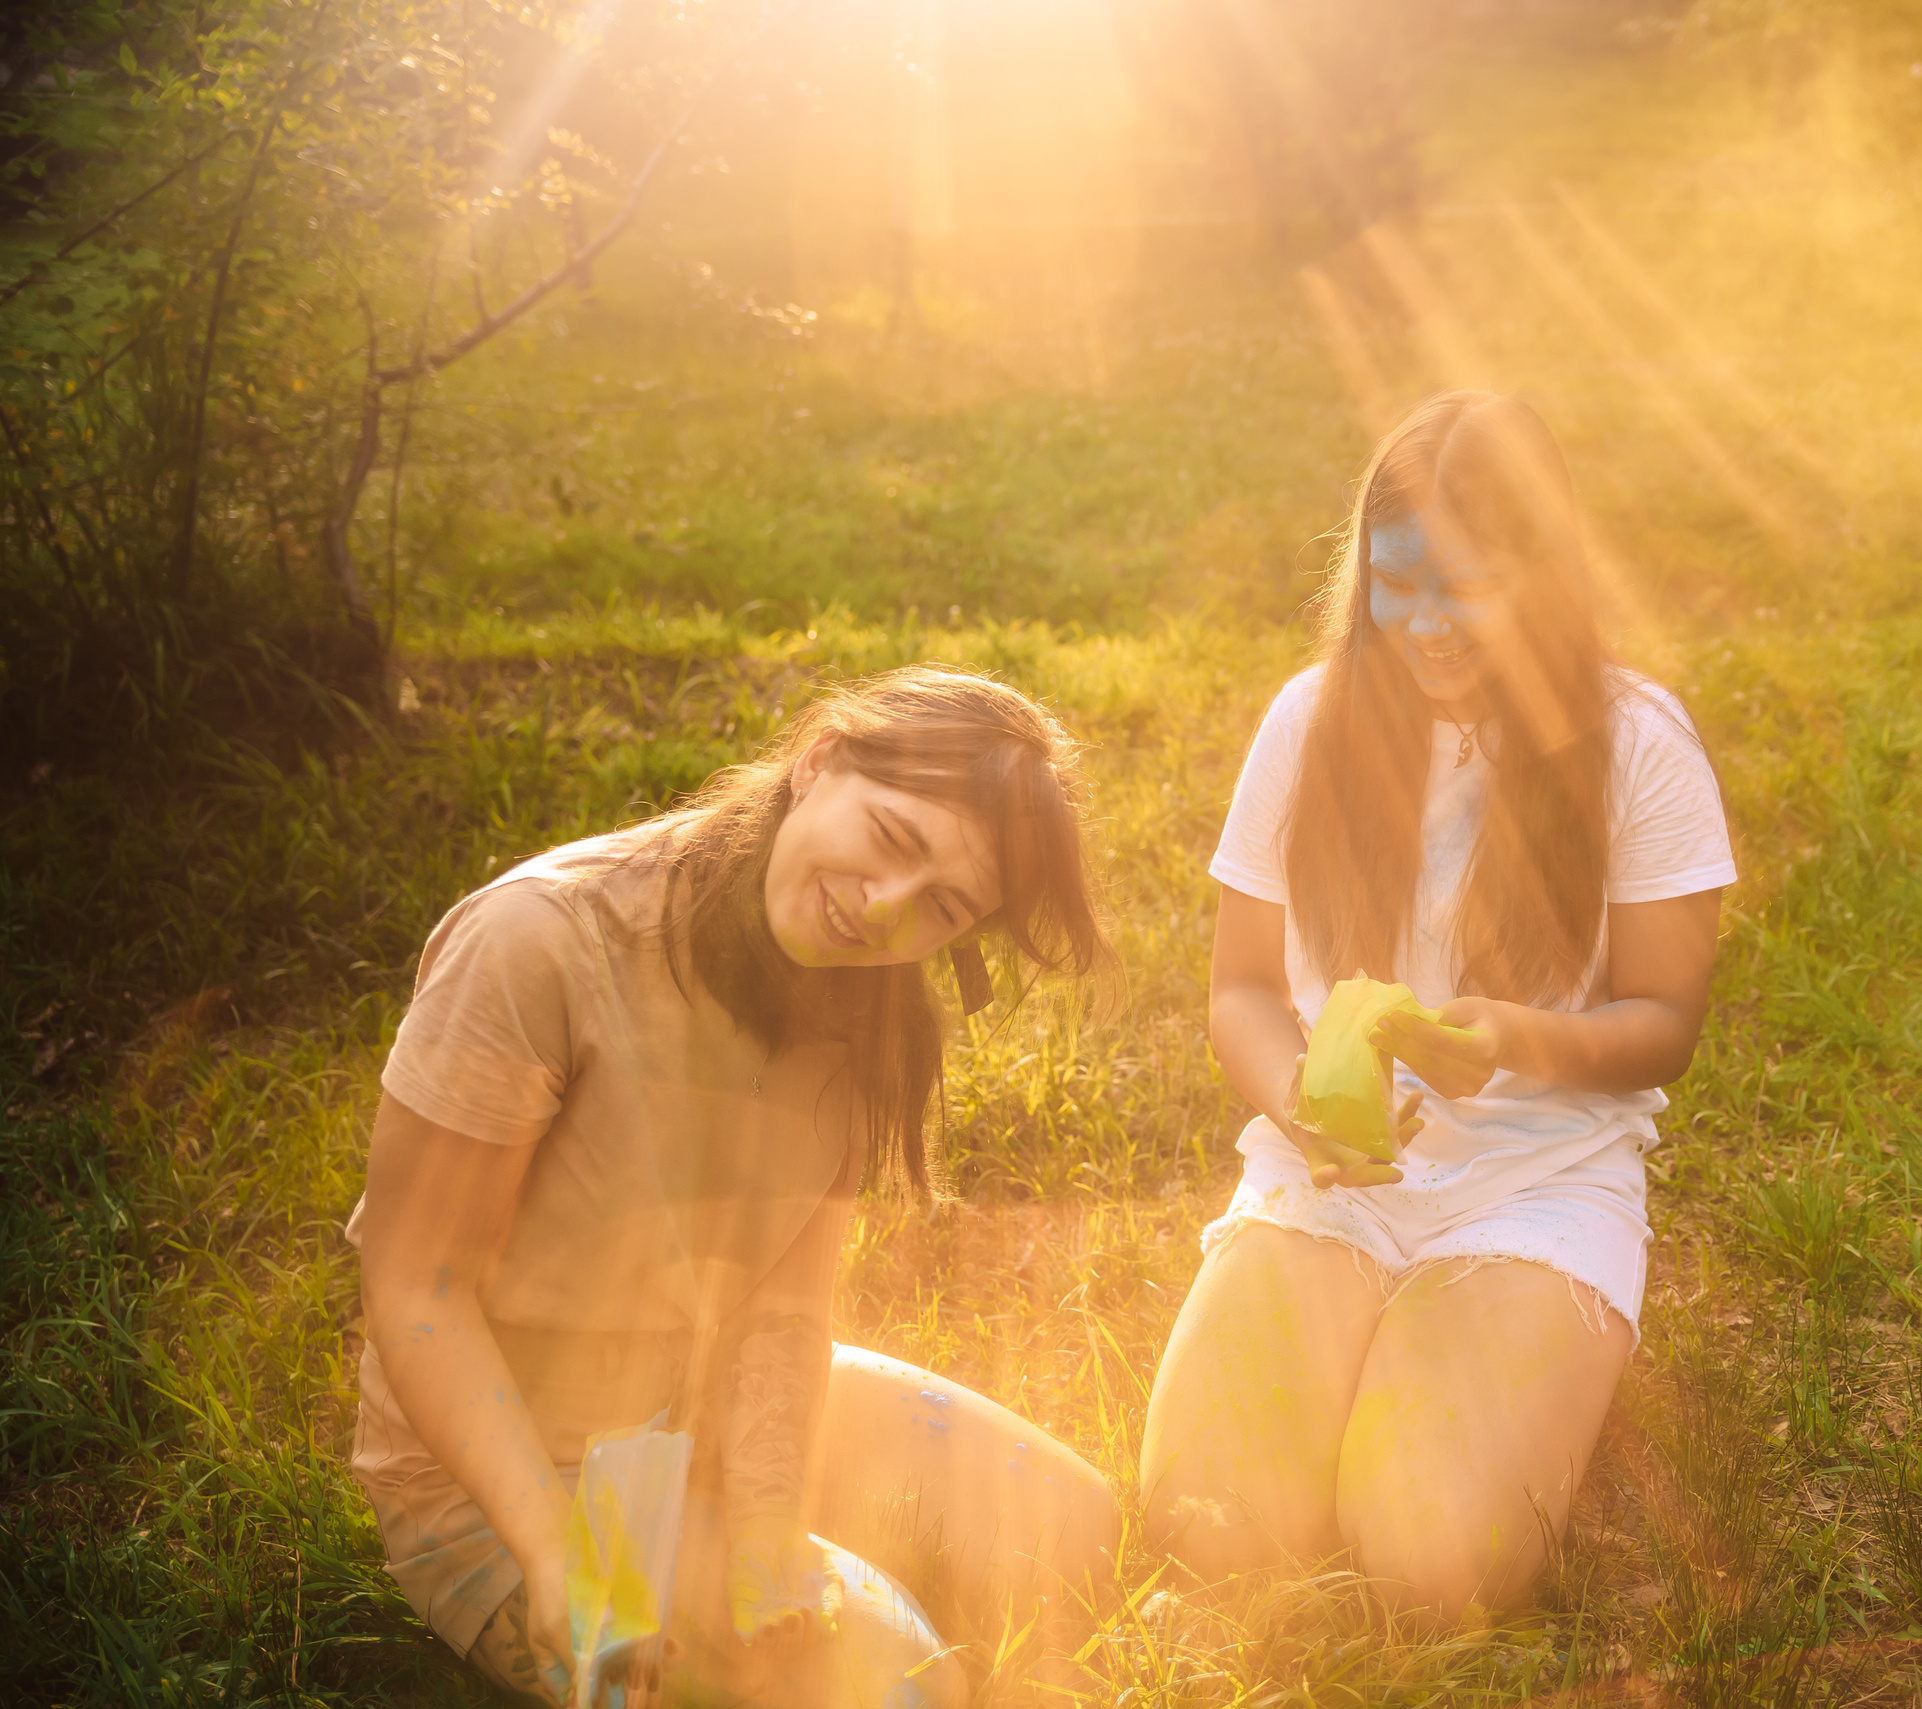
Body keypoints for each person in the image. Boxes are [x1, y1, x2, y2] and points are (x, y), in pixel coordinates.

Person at [350, 667, 1120, 1708]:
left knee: (1084, 1529)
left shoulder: (865, 1015)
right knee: (913, 1690)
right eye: (892, 837)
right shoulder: (536, 941)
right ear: (818, 761)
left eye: (943, 904)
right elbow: (417, 1286)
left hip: (691, 1393)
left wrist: (764, 1532)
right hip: (519, 1475)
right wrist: (550, 1548)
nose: (884, 906)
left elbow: (787, 1303)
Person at [1137, 392, 1734, 1618]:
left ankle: (1528, 1341)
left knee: (1432, 1562)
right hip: (1334, 1177)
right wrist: (1296, 1098)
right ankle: (1390, 1343)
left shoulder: (1639, 742)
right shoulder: (1309, 721)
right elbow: (1243, 988)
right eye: (1396, 583)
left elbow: (1664, 1021)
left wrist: (1523, 1038)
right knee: (1211, 1528)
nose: (1424, 623)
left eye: (1466, 583)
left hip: (1536, 1178)